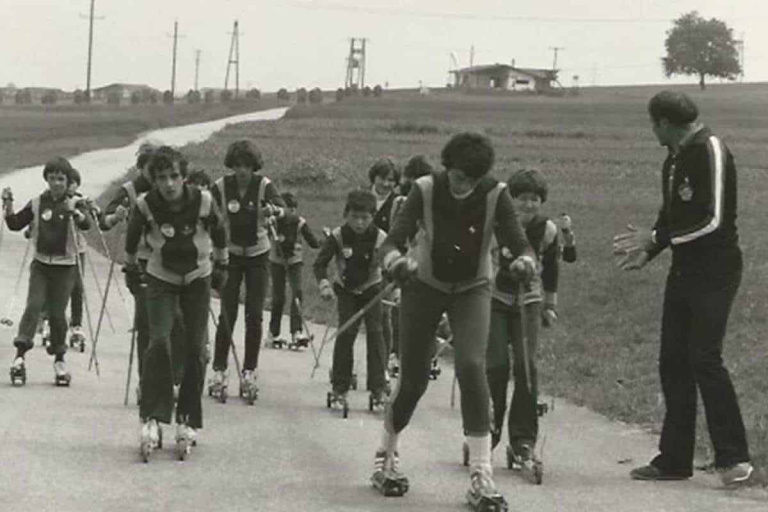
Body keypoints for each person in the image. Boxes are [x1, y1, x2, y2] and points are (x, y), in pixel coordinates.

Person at [371, 132, 536, 510]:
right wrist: (396, 262)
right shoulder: (425, 189)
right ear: (447, 168)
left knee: (472, 366)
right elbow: (392, 242)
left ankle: (481, 472)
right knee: (413, 381)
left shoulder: (496, 193)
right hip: (424, 285)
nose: (465, 186)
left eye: (473, 180)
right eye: (459, 177)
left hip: (472, 287)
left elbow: (520, 242)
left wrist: (526, 261)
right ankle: (386, 452)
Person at [613, 91, 753, 486]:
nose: (652, 131)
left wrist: (658, 237)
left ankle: (735, 459)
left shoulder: (710, 150)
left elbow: (713, 220)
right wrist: (650, 250)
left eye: (652, 124)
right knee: (673, 360)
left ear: (664, 123)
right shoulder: (673, 159)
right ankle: (674, 460)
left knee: (704, 358)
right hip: (684, 270)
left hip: (716, 271)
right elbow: (671, 215)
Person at [124, 146, 228, 458]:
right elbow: (132, 239)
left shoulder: (203, 201)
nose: (168, 184)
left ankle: (187, 418)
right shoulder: (146, 204)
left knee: (195, 348)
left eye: (174, 176)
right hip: (161, 278)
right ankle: (152, 416)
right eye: (161, 178)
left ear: (184, 177)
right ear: (153, 180)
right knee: (158, 342)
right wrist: (131, 269)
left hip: (197, 277)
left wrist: (222, 265)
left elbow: (220, 233)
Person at [485, 169, 577, 469]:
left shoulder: (547, 230)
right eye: (522, 199)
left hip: (529, 302)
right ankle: (486, 432)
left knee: (526, 367)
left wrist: (550, 305)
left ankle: (522, 440)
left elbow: (551, 269)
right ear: (511, 200)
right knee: (497, 365)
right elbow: (486, 262)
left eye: (535, 199)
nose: (528, 205)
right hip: (496, 300)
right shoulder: (497, 225)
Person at [100, 143, 187, 402]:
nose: (156, 176)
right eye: (151, 170)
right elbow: (104, 222)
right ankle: (146, 381)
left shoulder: (172, 188)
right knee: (147, 325)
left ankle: (174, 379)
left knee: (177, 322)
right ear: (142, 169)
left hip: (173, 263)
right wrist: (116, 216)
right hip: (141, 263)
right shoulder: (129, 190)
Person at [3, 157, 91, 386]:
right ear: (46, 179)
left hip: (65, 266)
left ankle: (60, 358)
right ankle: (20, 355)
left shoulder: (75, 203)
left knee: (57, 313)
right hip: (41, 265)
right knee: (33, 306)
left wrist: (79, 215)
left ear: (68, 181)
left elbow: (87, 224)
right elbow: (15, 224)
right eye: (52, 178)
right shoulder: (36, 203)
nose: (56, 184)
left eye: (61, 179)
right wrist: (8, 205)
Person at [210, 139, 286, 399]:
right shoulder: (221, 186)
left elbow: (281, 208)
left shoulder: (263, 185)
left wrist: (273, 210)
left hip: (257, 255)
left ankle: (249, 370)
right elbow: (205, 209)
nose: (242, 171)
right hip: (230, 256)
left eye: (247, 166)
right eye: (238, 165)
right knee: (227, 312)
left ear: (254, 166)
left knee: (254, 313)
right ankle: (219, 369)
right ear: (231, 165)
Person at [313, 189, 389, 405]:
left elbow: (391, 266)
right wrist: (324, 285)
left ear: (373, 217)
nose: (359, 223)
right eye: (354, 217)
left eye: (365, 218)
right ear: (346, 214)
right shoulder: (338, 236)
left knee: (376, 333)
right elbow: (319, 264)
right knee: (346, 333)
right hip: (346, 290)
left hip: (372, 289)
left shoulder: (381, 238)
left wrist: (396, 288)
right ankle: (340, 386)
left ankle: (378, 388)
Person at [387, 155, 433, 375]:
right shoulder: (399, 202)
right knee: (400, 307)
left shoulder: (434, 202)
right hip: (405, 259)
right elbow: (394, 231)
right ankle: (396, 353)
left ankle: (427, 354)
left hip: (428, 261)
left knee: (428, 310)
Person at [266, 191, 321, 347]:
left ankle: (296, 331)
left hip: (294, 261)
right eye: (288, 209)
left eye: (294, 209)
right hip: (277, 262)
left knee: (297, 293)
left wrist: (325, 241)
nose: (292, 213)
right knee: (278, 297)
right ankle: (273, 333)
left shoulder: (300, 222)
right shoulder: (273, 222)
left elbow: (313, 242)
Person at [368, 158, 400, 377]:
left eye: (391, 180)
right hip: (363, 262)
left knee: (385, 313)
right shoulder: (363, 197)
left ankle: (387, 358)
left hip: (388, 263)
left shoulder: (398, 202)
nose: (387, 184)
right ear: (374, 178)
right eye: (383, 179)